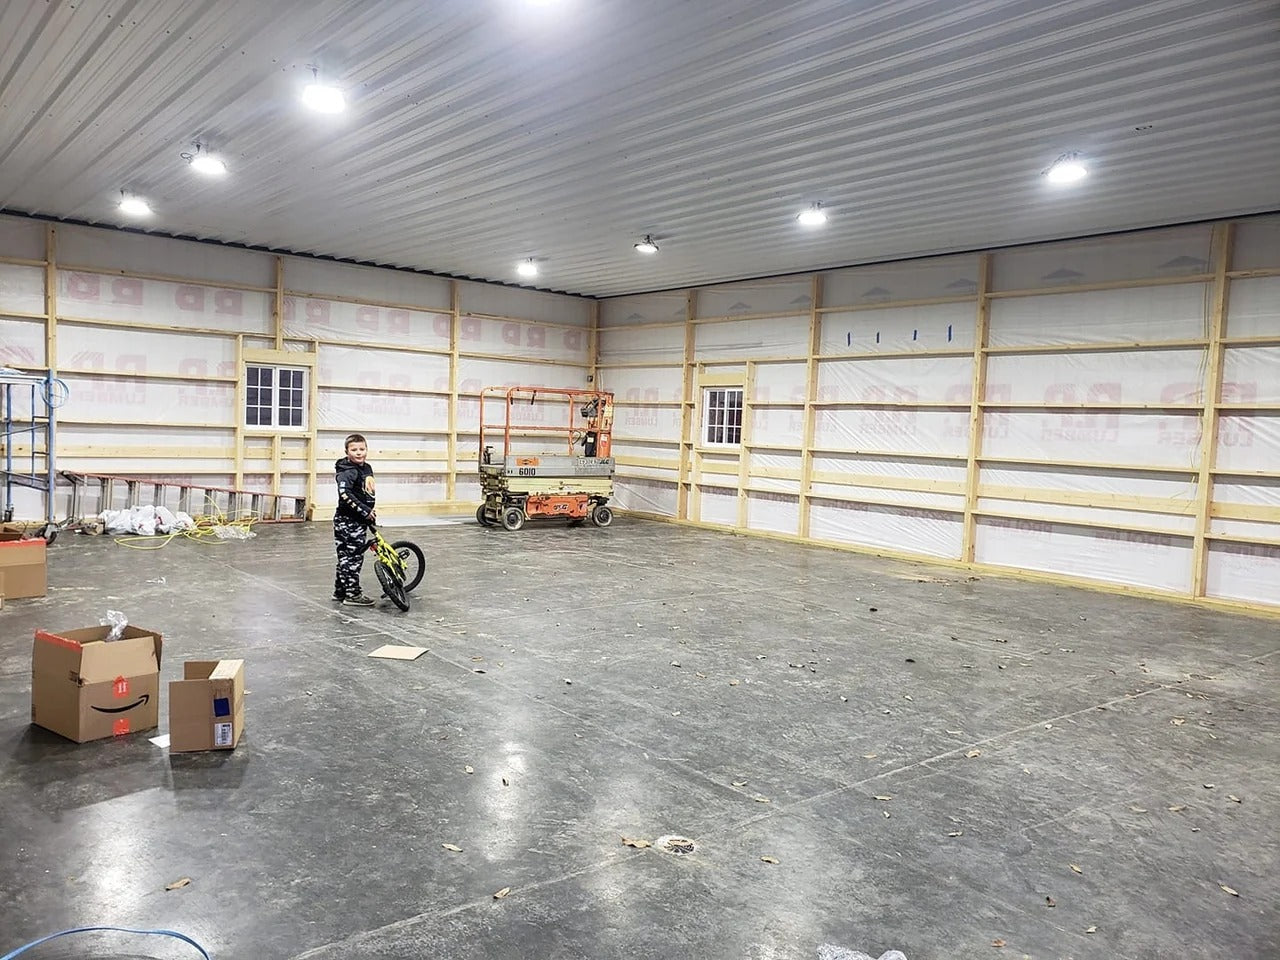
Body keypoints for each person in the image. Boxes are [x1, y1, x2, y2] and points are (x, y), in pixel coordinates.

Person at [333, 433, 377, 606]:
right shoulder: (347, 472)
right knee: (353, 558)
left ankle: (340, 591)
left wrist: (369, 511)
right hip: (348, 521)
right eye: (354, 450)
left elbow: (367, 490)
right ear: (347, 452)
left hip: (360, 519)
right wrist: (364, 510)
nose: (359, 453)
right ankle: (352, 594)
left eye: (362, 449)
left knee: (345, 557)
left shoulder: (366, 468)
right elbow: (345, 494)